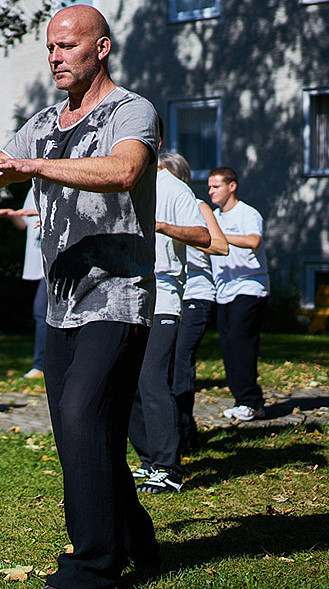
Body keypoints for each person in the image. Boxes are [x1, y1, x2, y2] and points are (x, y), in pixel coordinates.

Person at [0, 4, 161, 589]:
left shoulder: (131, 111)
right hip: (62, 303)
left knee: (81, 415)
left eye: (67, 45)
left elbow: (123, 172)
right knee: (80, 433)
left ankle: (93, 566)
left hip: (117, 297)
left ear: (101, 48)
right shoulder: (43, 121)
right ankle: (137, 540)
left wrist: (35, 163)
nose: (55, 56)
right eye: (49, 47)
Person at [127, 152, 212, 494]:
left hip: (162, 295)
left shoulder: (173, 189)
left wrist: (160, 225)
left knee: (151, 378)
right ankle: (149, 461)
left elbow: (204, 237)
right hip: (125, 295)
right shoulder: (125, 183)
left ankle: (168, 467)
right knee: (128, 379)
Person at [170, 160, 229, 454]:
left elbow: (220, 246)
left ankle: (184, 434)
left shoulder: (197, 206)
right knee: (161, 368)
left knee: (181, 364)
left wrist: (178, 232)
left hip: (195, 295)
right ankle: (172, 432)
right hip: (167, 296)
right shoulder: (154, 203)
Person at [207, 166, 270, 421]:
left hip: (249, 286)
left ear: (232, 186)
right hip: (224, 291)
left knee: (241, 343)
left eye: (216, 186)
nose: (210, 191)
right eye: (209, 187)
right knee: (229, 345)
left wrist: (220, 236)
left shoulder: (247, 213)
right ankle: (242, 399)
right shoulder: (213, 216)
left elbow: (254, 241)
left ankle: (251, 401)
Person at [0, 192, 44, 380]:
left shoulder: (57, 183)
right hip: (38, 263)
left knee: (41, 311)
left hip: (55, 261)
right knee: (42, 313)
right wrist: (14, 217)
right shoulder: (32, 189)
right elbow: (25, 225)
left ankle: (42, 366)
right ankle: (43, 366)